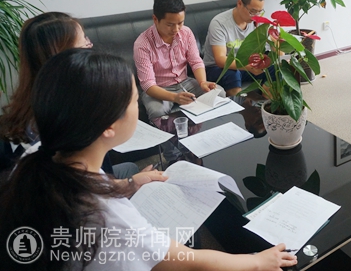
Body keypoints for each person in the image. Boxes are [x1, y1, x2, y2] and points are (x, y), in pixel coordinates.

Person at [0, 49, 297, 270]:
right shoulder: (106, 215)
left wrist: (127, 184)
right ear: (108, 126)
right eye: (133, 101)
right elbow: (186, 261)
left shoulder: (37, 156)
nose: (136, 107)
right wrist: (257, 261)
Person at [0, 12, 140, 181]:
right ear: (66, 59)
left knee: (131, 168)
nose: (91, 46)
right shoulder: (66, 122)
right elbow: (86, 186)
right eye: (84, 44)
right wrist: (129, 183)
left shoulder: (36, 101)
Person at [133, 0, 222, 162]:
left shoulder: (186, 33)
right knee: (157, 111)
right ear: (155, 19)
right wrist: (175, 97)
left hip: (185, 82)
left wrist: (203, 82)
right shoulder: (142, 44)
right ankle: (173, 156)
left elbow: (195, 61)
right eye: (170, 24)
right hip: (159, 88)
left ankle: (200, 142)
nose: (176, 29)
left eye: (180, 23)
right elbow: (148, 85)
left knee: (219, 93)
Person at [204, 0, 275, 97]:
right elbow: (220, 59)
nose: (256, 16)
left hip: (247, 65)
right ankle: (240, 106)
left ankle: (267, 104)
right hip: (218, 68)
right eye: (252, 11)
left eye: (259, 12)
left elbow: (269, 49)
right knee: (233, 74)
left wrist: (276, 44)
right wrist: (248, 67)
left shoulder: (258, 22)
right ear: (240, 3)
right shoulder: (219, 23)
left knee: (273, 69)